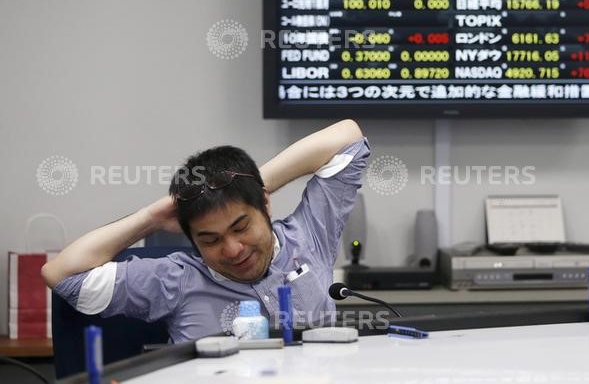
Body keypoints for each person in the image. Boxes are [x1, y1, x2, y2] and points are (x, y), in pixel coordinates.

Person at [41, 119, 369, 342]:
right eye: (209, 240)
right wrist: (149, 217)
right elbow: (62, 274)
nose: (233, 250)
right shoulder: (176, 280)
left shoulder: (311, 234)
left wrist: (246, 186)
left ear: (265, 204)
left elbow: (348, 137)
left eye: (241, 227)